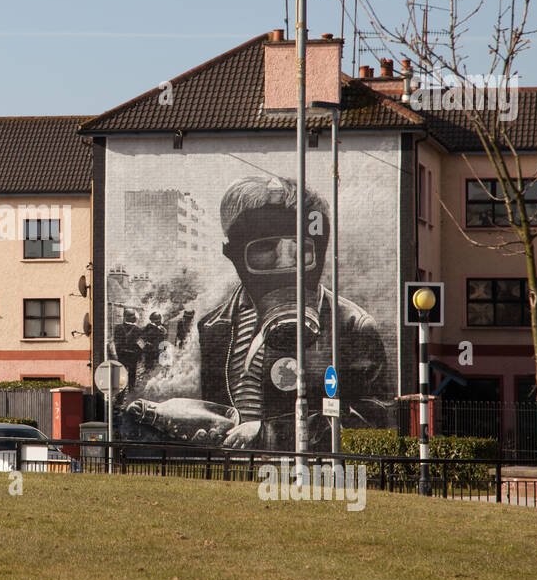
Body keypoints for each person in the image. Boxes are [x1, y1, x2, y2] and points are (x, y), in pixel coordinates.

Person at [125, 176, 388, 452]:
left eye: (302, 249)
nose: (288, 263)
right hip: (237, 477)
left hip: (304, 473)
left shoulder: (350, 326)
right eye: (265, 249)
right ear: (233, 255)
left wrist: (269, 434)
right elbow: (224, 415)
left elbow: (374, 417)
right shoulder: (214, 327)